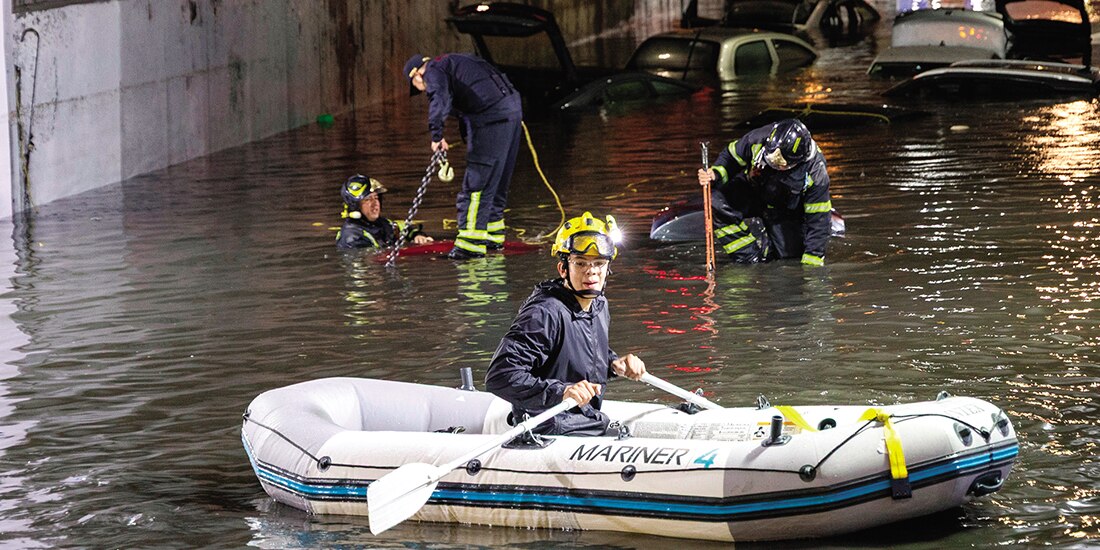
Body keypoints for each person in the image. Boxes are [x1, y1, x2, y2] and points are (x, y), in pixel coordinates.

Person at [485, 212, 647, 436]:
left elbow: (575, 351)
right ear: (563, 269)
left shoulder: (599, 305)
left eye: (599, 263)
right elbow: (500, 376)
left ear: (607, 269)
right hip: (546, 427)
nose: (591, 271)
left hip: (584, 419)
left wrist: (613, 363)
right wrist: (562, 391)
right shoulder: (544, 312)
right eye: (580, 263)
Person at [403, 53, 523, 260]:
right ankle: (492, 239)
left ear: (417, 75)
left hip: (490, 118)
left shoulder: (433, 70)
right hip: (511, 111)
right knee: (496, 183)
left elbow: (439, 97)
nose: (423, 92)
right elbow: (467, 104)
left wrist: (436, 135)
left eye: (419, 88)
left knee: (476, 187)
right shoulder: (457, 62)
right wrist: (468, 137)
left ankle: (470, 245)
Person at [698, 118, 832, 266]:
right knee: (717, 201)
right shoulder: (758, 138)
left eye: (780, 164)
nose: (774, 166)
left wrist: (811, 268)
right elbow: (731, 156)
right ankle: (749, 259)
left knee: (787, 263)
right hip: (754, 190)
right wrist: (715, 173)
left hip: (785, 210)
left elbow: (819, 221)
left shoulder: (816, 173)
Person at [335, 174, 432, 250]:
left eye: (376, 198)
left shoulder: (384, 224)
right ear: (355, 206)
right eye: (368, 199)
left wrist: (417, 236)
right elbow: (368, 262)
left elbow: (404, 228)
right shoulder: (351, 236)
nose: (375, 203)